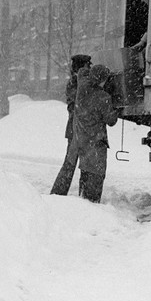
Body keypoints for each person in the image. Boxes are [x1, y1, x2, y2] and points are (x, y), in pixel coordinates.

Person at [73, 64, 120, 203]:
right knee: (96, 174)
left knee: (85, 170)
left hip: (82, 138)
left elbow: (82, 71)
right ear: (103, 79)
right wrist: (115, 108)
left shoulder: (82, 87)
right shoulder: (103, 97)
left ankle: (83, 200)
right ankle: (92, 205)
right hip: (96, 141)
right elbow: (111, 120)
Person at [50, 54, 91, 195]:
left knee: (77, 163)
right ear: (81, 67)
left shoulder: (78, 81)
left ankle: (68, 192)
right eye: (87, 65)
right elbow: (78, 103)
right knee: (71, 163)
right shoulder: (76, 82)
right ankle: (58, 193)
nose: (90, 67)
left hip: (77, 128)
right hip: (76, 127)